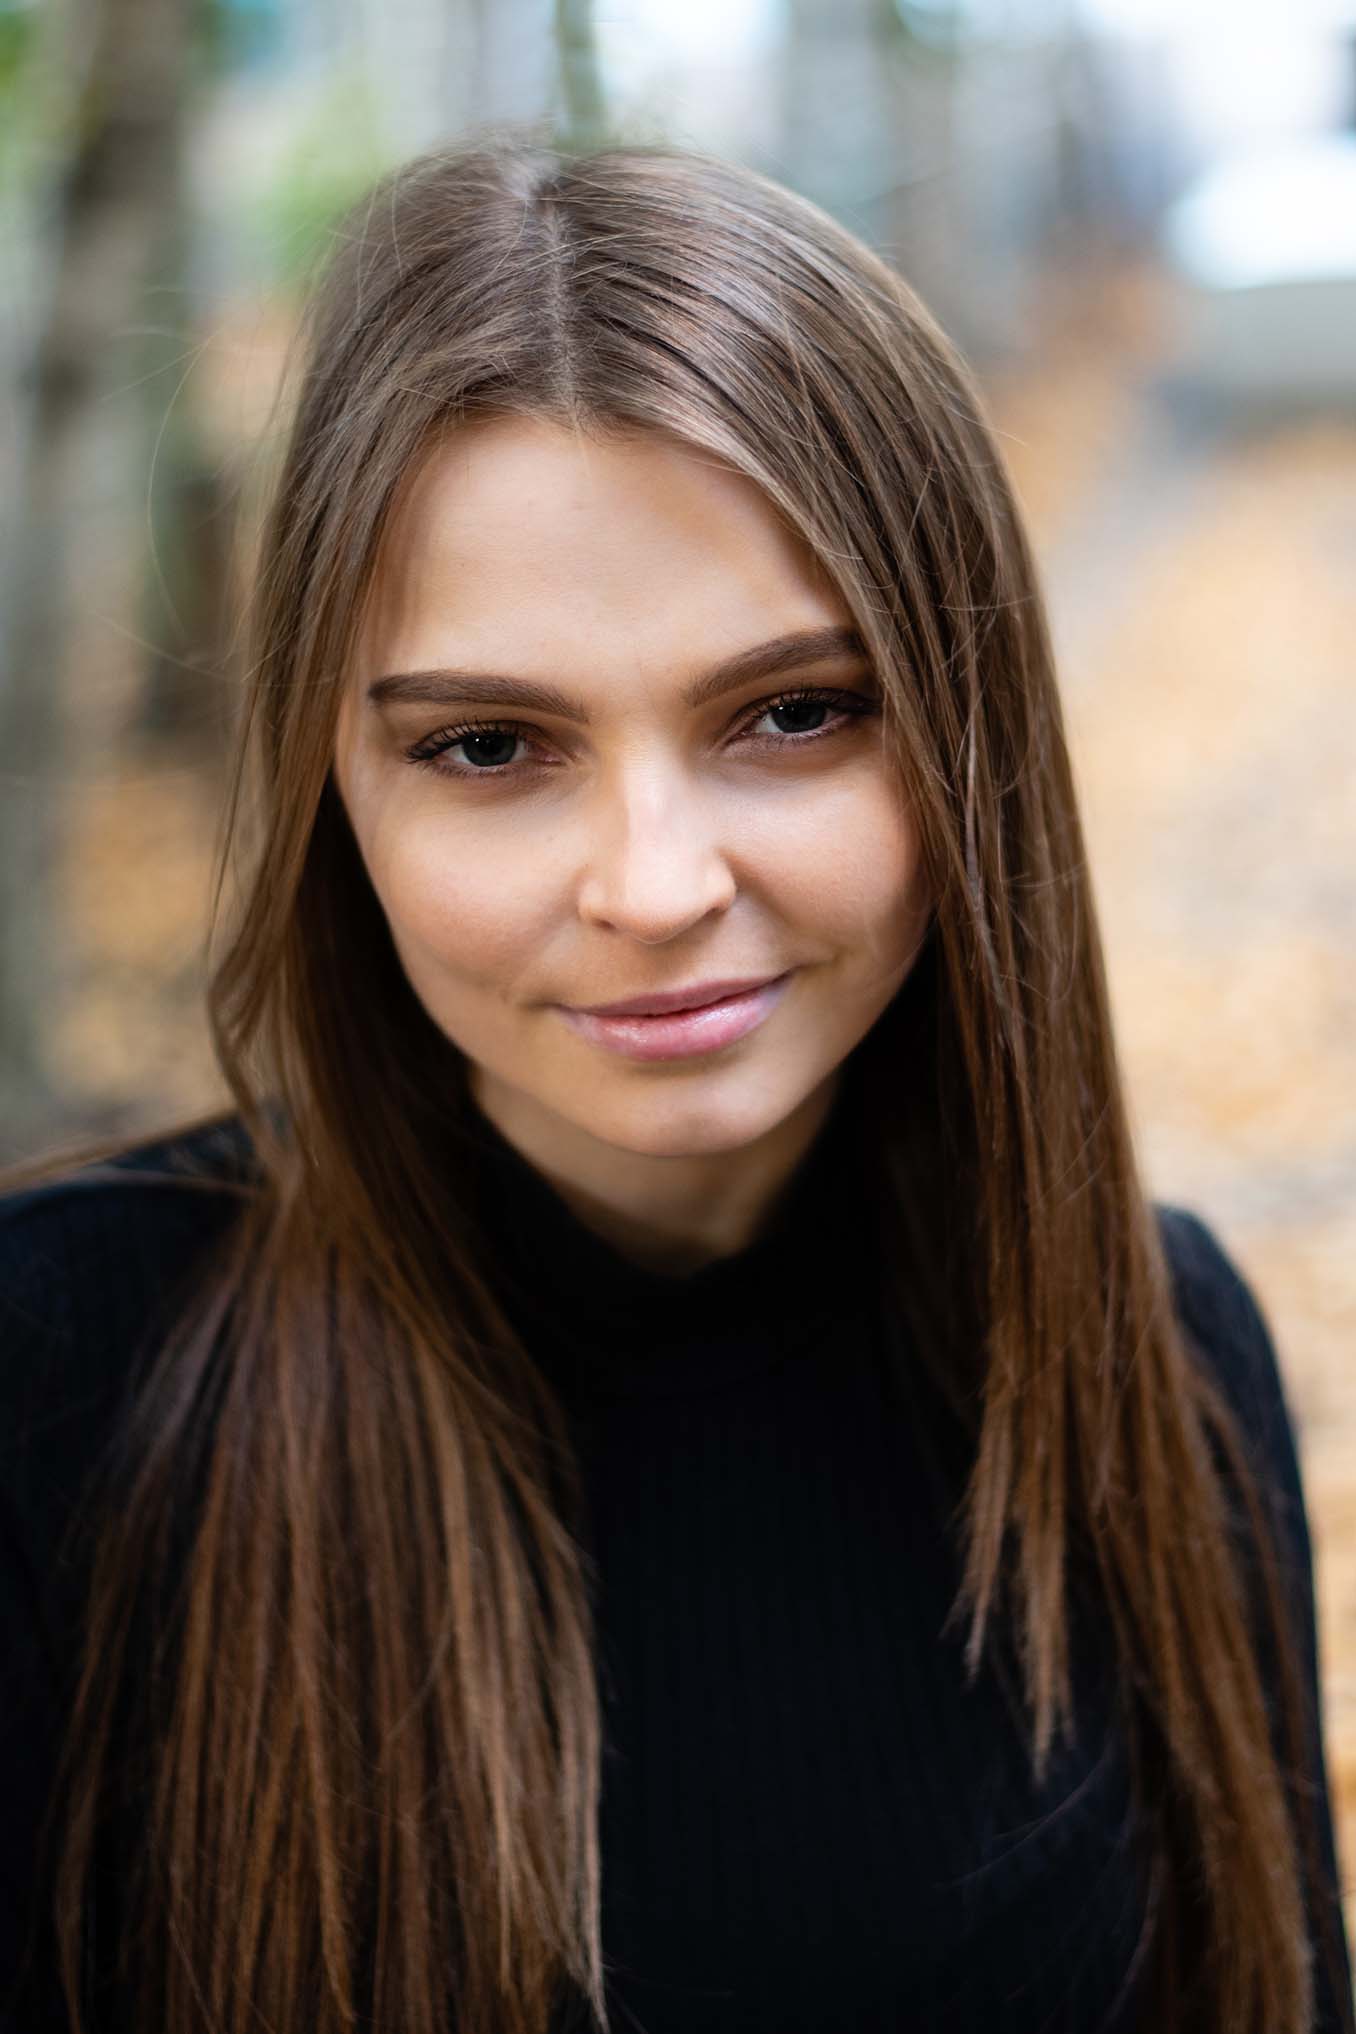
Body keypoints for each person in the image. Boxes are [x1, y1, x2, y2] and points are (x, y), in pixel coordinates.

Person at [0, 134, 1350, 2034]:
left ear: (966, 731)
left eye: (793, 711)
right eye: (489, 744)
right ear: (332, 797)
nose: (655, 885)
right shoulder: (56, 1380)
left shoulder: (1158, 1352)